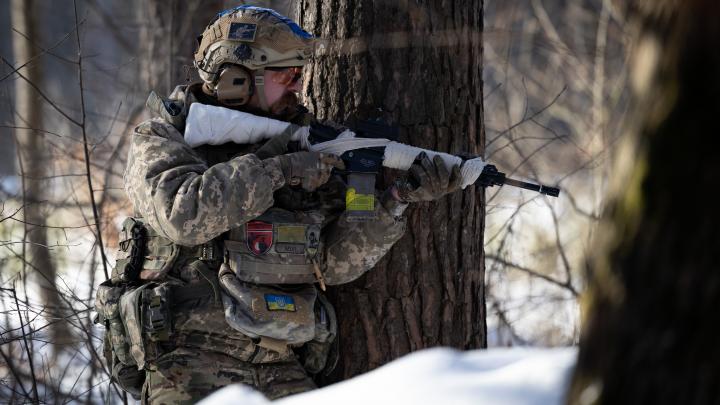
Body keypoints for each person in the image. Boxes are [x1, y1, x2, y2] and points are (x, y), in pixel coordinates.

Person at [95, 5, 462, 404]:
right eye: (286, 74)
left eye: (300, 75)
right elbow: (183, 215)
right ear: (235, 77)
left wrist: (394, 200)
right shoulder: (166, 137)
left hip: (281, 361)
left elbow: (333, 262)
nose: (297, 87)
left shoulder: (300, 139)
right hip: (190, 364)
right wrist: (280, 170)